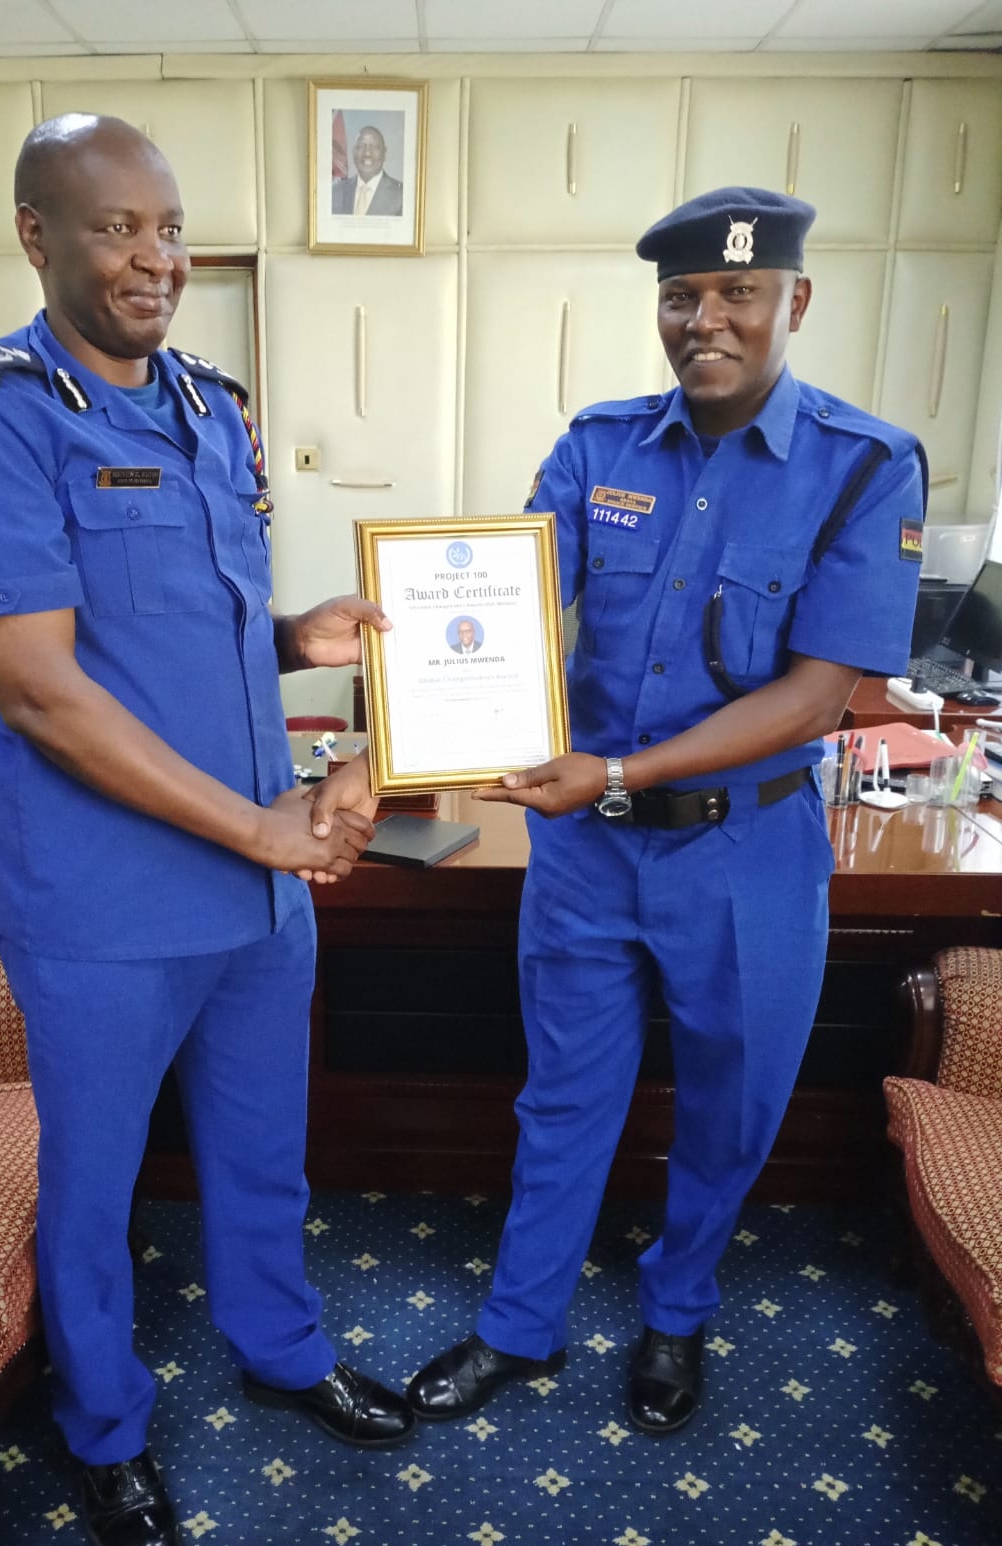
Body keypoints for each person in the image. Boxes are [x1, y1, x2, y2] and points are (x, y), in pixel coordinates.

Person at [313, 187, 926, 1438]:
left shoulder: (865, 465)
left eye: (736, 295)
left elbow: (818, 697)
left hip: (747, 852)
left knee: (731, 1100)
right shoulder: (601, 447)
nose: (705, 320)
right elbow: (503, 607)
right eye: (682, 296)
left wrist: (621, 773)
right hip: (588, 859)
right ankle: (520, 1326)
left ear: (793, 303)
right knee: (565, 1095)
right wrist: (402, 717)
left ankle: (677, 1312)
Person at [0, 113, 413, 1546]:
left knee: (263, 1154)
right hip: (106, 904)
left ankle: (281, 1345)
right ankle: (106, 1426)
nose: (155, 257)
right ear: (37, 235)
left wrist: (290, 635)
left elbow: (171, 633)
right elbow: (44, 687)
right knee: (95, 1183)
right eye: (117, 226)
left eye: (169, 228)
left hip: (259, 892)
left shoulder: (207, 403)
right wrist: (262, 819)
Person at [332, 124, 403, 216]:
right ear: (353, 152)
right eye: (360, 146)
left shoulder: (401, 194)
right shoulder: (336, 192)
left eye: (374, 147)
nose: (367, 153)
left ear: (384, 153)